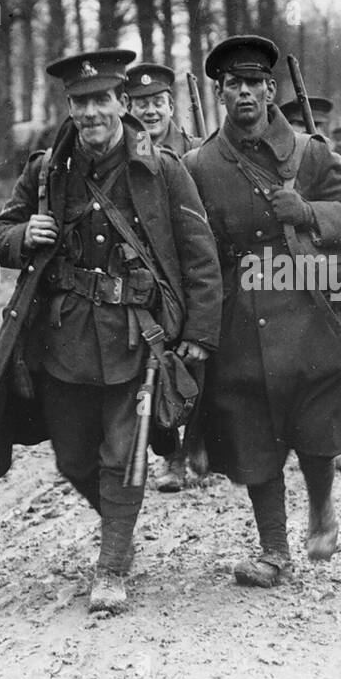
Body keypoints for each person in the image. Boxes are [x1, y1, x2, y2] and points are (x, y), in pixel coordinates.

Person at [0, 49, 221, 614]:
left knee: (123, 454)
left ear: (121, 103)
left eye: (101, 101)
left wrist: (199, 336)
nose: (91, 113)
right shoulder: (47, 170)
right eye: (80, 102)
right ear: (70, 107)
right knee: (72, 458)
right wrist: (24, 235)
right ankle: (121, 530)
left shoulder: (161, 169)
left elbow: (199, 257)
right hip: (63, 337)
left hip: (137, 336)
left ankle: (111, 565)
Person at [185, 35, 341, 586]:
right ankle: (273, 550)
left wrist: (310, 211)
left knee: (315, 424)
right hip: (238, 316)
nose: (244, 93)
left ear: (271, 90)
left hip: (310, 306)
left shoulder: (311, 154)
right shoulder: (199, 165)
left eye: (254, 83)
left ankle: (320, 508)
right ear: (220, 94)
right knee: (251, 430)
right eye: (233, 85)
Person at [279, 96, 341, 474]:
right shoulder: (273, 169)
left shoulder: (330, 165)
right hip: (282, 280)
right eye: (299, 127)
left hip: (331, 277)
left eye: (315, 128)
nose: (308, 134)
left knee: (337, 360)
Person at [128, 61, 204, 493]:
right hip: (145, 281)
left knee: (196, 366)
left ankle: (195, 446)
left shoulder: (195, 151)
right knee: (148, 368)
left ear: (171, 105)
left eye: (157, 102)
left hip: (189, 275)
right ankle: (169, 456)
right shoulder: (123, 153)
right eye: (142, 104)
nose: (151, 112)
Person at [128, 62, 200, 158]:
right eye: (142, 105)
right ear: (129, 109)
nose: (151, 111)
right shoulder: (120, 152)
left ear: (171, 108)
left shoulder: (194, 149)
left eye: (158, 104)